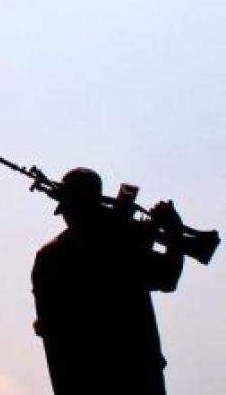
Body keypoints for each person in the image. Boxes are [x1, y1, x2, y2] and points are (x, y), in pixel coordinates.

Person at [31, 168, 185, 395]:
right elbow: (168, 277)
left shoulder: (50, 256)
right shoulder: (119, 244)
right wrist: (174, 233)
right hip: (134, 374)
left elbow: (47, 327)